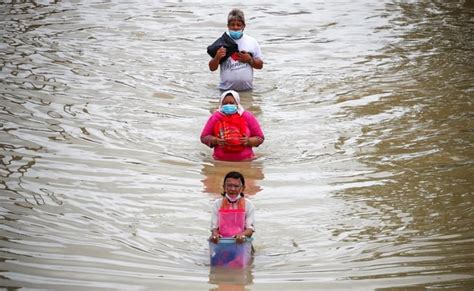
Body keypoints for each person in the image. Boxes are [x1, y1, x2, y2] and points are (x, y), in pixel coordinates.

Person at [207, 8, 264, 91]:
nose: (235, 27)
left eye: (238, 25)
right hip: (225, 91)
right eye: (232, 25)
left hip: (247, 91)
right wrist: (217, 57)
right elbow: (212, 68)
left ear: (244, 26)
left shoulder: (252, 42)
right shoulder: (222, 42)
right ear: (228, 26)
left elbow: (260, 65)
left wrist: (250, 60)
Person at [200, 90, 264, 161]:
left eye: (231, 103)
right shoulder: (216, 117)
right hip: (220, 161)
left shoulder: (247, 116)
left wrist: (248, 141)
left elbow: (260, 138)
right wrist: (216, 140)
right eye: (225, 103)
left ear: (237, 103)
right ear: (221, 104)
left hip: (246, 161)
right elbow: (204, 137)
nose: (228, 105)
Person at [209, 171, 255, 244]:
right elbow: (214, 227)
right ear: (224, 187)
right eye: (229, 185)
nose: (232, 189)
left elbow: (250, 229)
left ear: (242, 188)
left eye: (236, 186)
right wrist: (215, 234)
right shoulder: (217, 204)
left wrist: (242, 235)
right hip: (222, 242)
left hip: (242, 243)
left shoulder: (249, 204)